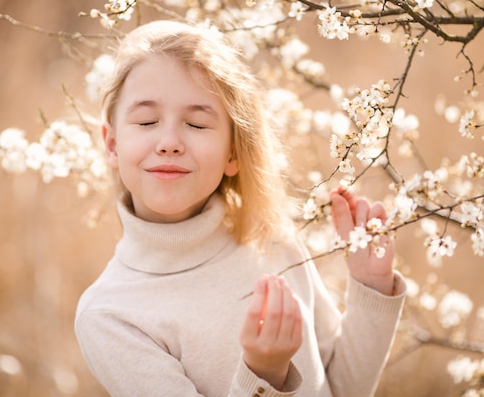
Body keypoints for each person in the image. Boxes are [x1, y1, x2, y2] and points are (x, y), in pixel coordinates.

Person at [74, 20, 406, 397]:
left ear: (233, 151)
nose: (169, 142)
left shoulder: (271, 239)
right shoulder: (109, 315)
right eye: (147, 121)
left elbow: (343, 388)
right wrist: (265, 373)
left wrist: (371, 285)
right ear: (112, 144)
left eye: (197, 124)